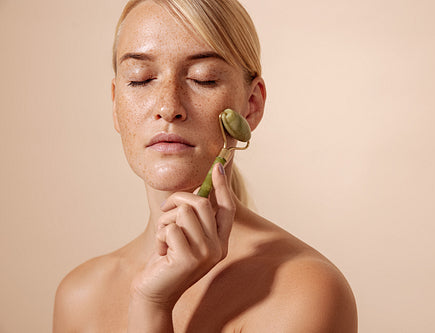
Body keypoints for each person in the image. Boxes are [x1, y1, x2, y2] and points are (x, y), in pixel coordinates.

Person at [53, 0, 357, 331]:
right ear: (115, 104)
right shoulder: (80, 296)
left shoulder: (303, 291)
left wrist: (152, 306)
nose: (169, 107)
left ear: (251, 106)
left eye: (204, 79)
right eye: (140, 79)